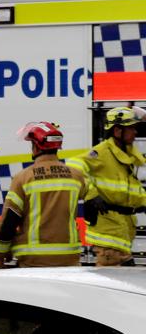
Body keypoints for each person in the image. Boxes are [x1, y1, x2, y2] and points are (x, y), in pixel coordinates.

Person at [0, 122, 86, 268]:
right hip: (69, 259)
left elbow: (10, 220)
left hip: (34, 261)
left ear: (36, 147)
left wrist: (0, 252)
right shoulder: (76, 176)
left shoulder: (23, 178)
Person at [67, 106, 146, 266]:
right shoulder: (101, 153)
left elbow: (128, 190)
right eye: (131, 128)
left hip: (121, 231)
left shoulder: (126, 155)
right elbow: (73, 166)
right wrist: (91, 194)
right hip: (109, 236)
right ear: (117, 131)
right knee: (112, 287)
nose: (135, 132)